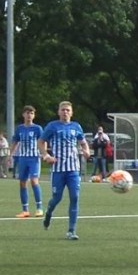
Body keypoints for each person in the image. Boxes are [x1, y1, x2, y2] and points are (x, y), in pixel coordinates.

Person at [38, 101, 90, 240]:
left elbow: (83, 142)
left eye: (68, 110)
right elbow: (41, 142)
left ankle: (71, 231)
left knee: (75, 197)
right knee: (57, 198)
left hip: (73, 169)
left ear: (71, 113)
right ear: (58, 112)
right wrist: (46, 155)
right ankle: (48, 213)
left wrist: (86, 150)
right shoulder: (52, 126)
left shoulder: (76, 126)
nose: (65, 112)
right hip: (58, 169)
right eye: (63, 110)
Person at [11, 105, 44, 218]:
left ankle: (39, 208)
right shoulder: (19, 129)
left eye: (31, 113)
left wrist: (44, 153)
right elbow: (15, 142)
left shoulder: (37, 128)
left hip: (34, 158)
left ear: (34, 115)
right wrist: (10, 155)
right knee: (22, 183)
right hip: (23, 158)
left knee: (34, 181)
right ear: (23, 114)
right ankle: (25, 210)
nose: (29, 115)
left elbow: (42, 141)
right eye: (27, 113)